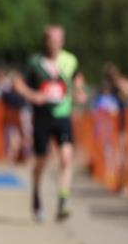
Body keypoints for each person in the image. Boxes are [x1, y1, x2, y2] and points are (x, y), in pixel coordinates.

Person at [13, 25, 86, 222]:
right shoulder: (35, 62)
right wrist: (33, 95)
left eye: (58, 40)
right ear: (45, 41)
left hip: (63, 116)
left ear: (62, 41)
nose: (54, 44)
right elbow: (17, 82)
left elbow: (77, 77)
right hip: (42, 117)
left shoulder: (70, 60)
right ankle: (36, 194)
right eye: (51, 40)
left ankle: (63, 200)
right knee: (42, 161)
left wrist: (79, 90)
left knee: (66, 157)